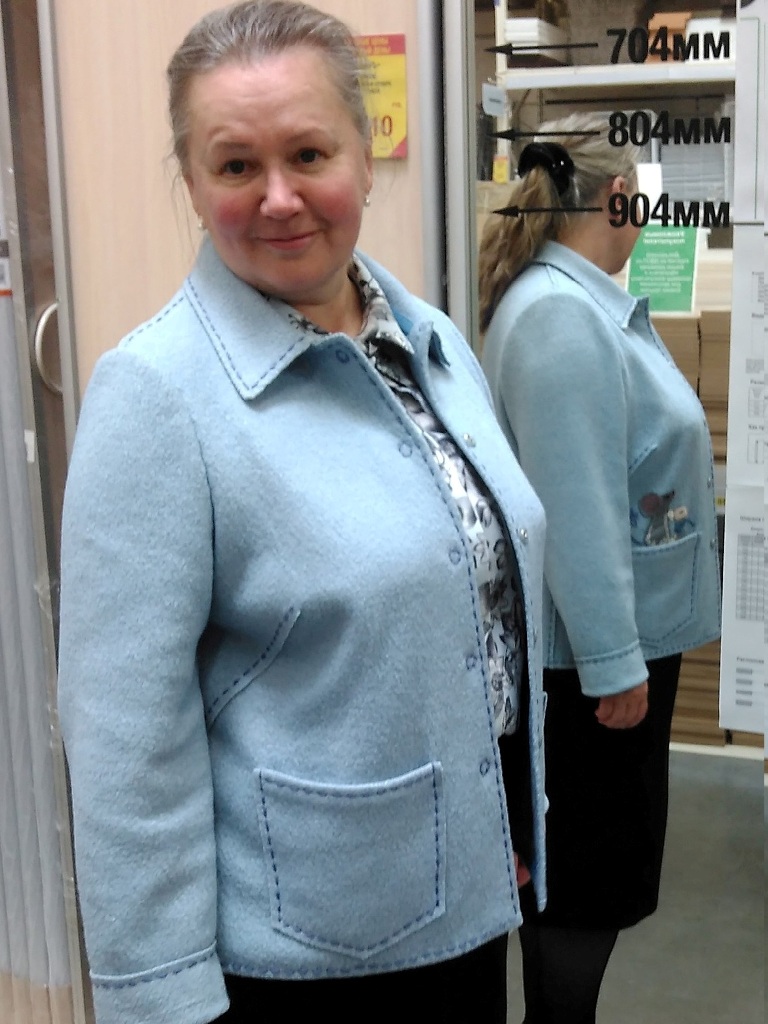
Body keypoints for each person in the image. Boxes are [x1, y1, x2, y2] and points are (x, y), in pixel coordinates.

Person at [57, 4, 549, 1023]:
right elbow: (125, 750)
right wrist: (160, 1001)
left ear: (364, 159)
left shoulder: (427, 341)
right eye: (236, 165)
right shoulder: (156, 393)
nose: (278, 197)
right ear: (193, 181)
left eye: (309, 154)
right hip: (309, 956)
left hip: (462, 901)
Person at [479, 113, 721, 1024]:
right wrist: (615, 666)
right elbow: (574, 507)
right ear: (618, 197)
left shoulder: (569, 304)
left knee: (582, 894)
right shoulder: (559, 317)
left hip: (603, 660)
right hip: (590, 675)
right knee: (583, 896)